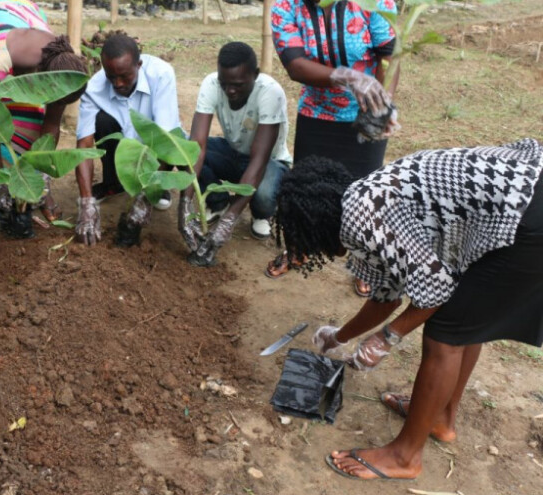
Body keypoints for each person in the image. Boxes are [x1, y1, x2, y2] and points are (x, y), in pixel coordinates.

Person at [272, 139, 542, 480]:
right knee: (466, 320)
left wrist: (386, 339)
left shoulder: (359, 217)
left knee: (446, 334)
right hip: (520, 197)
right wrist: (339, 337)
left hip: (527, 211)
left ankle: (404, 457)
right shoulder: (358, 204)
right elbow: (387, 296)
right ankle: (441, 419)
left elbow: (436, 289)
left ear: (315, 225)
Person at [269, 0, 400, 295]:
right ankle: (299, 247)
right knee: (304, 188)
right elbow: (295, 65)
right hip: (317, 112)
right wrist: (347, 76)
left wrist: (383, 105)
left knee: (365, 195)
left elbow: (391, 55)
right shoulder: (285, 6)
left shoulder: (372, 3)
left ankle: (363, 262)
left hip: (365, 114)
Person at [0, 0, 87, 224]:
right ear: (43, 78)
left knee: (30, 121)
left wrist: (43, 180)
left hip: (25, 13)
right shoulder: (2, 58)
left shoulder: (64, 67)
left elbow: (51, 124)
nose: (56, 104)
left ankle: (24, 184)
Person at [181, 41, 291, 262]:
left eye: (238, 85)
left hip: (268, 162)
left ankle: (261, 214)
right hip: (232, 152)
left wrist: (229, 222)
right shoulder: (211, 84)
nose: (230, 90)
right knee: (183, 149)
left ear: (255, 74)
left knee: (264, 192)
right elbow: (197, 146)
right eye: (225, 83)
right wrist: (183, 205)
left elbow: (258, 161)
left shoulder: (270, 92)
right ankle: (219, 202)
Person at [74, 34, 183, 245]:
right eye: (111, 76)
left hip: (152, 149)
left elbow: (166, 138)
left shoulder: (161, 75)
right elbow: (84, 146)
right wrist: (86, 204)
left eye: (124, 76)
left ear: (139, 65)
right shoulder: (95, 88)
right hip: (120, 143)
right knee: (102, 120)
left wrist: (143, 200)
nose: (118, 83)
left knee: (168, 138)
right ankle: (113, 184)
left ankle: (154, 189)